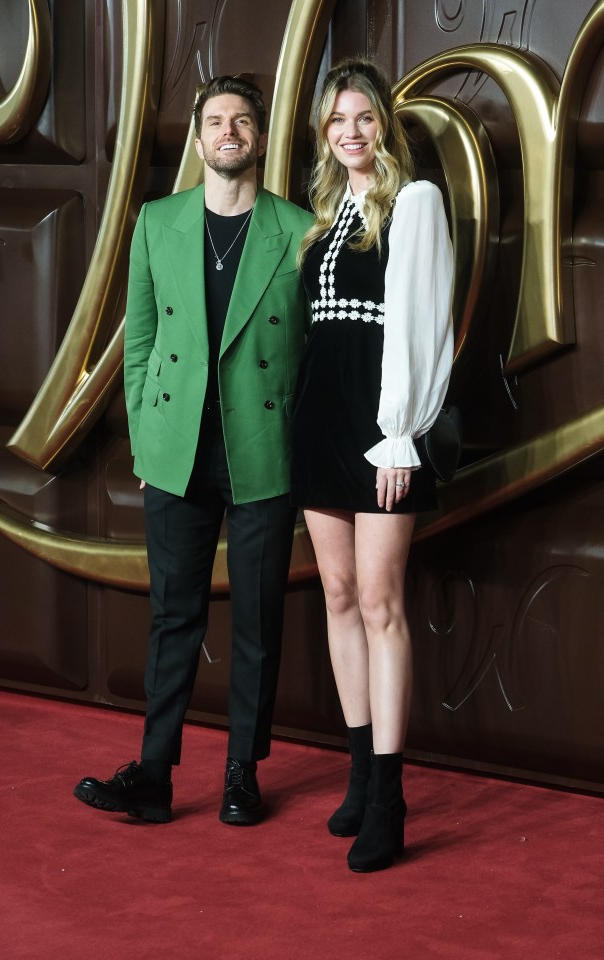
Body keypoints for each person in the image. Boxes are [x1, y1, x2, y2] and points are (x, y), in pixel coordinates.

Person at [74, 76, 313, 826]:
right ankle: (154, 774)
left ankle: (243, 772)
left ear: (262, 139)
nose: (230, 132)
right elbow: (139, 343)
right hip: (176, 451)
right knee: (173, 617)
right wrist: (148, 443)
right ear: (200, 139)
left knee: (257, 618)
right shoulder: (158, 221)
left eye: (243, 121)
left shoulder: (299, 229)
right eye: (216, 121)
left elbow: (313, 351)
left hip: (262, 450)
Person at [291, 58, 454, 872]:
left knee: (383, 601)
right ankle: (358, 776)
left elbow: (424, 328)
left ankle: (389, 796)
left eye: (363, 117)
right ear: (326, 134)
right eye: (336, 120)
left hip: (380, 423)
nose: (350, 131)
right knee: (341, 594)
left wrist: (400, 434)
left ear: (383, 126)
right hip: (319, 419)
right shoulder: (323, 215)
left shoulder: (414, 203)